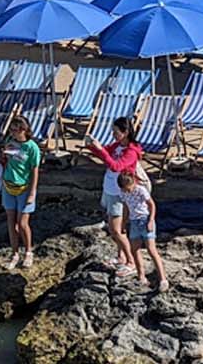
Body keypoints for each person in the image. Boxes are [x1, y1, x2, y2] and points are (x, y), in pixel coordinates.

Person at [86, 117, 147, 274]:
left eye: (115, 132)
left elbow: (116, 166)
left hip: (119, 193)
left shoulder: (131, 152)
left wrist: (100, 150)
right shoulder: (118, 145)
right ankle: (121, 256)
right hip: (110, 189)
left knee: (115, 230)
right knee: (120, 228)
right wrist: (92, 146)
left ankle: (131, 262)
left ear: (125, 132)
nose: (113, 134)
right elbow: (104, 154)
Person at [0, 114, 41, 269]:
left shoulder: (32, 147)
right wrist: (4, 156)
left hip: (24, 188)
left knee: (23, 223)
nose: (12, 133)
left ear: (23, 130)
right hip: (8, 186)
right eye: (11, 130)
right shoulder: (11, 143)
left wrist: (32, 192)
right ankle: (14, 254)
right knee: (11, 222)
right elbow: (6, 162)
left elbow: (35, 170)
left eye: (15, 130)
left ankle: (28, 252)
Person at [117, 170, 167, 289]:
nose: (127, 191)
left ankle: (163, 279)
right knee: (135, 250)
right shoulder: (123, 193)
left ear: (133, 183)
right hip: (134, 222)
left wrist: (151, 220)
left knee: (151, 250)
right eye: (124, 189)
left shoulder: (140, 190)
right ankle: (141, 276)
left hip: (145, 220)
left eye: (128, 188)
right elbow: (126, 208)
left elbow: (151, 205)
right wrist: (123, 223)